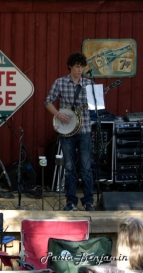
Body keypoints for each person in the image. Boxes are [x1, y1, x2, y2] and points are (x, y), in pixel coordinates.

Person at [45, 52, 94, 211]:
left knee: (86, 167)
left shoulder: (89, 84)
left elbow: (97, 106)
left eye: (82, 67)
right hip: (67, 131)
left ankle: (88, 202)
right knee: (69, 167)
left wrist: (97, 100)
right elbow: (48, 101)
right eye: (77, 66)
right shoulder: (60, 83)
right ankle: (71, 202)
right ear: (70, 67)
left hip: (85, 128)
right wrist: (58, 114)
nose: (80, 70)